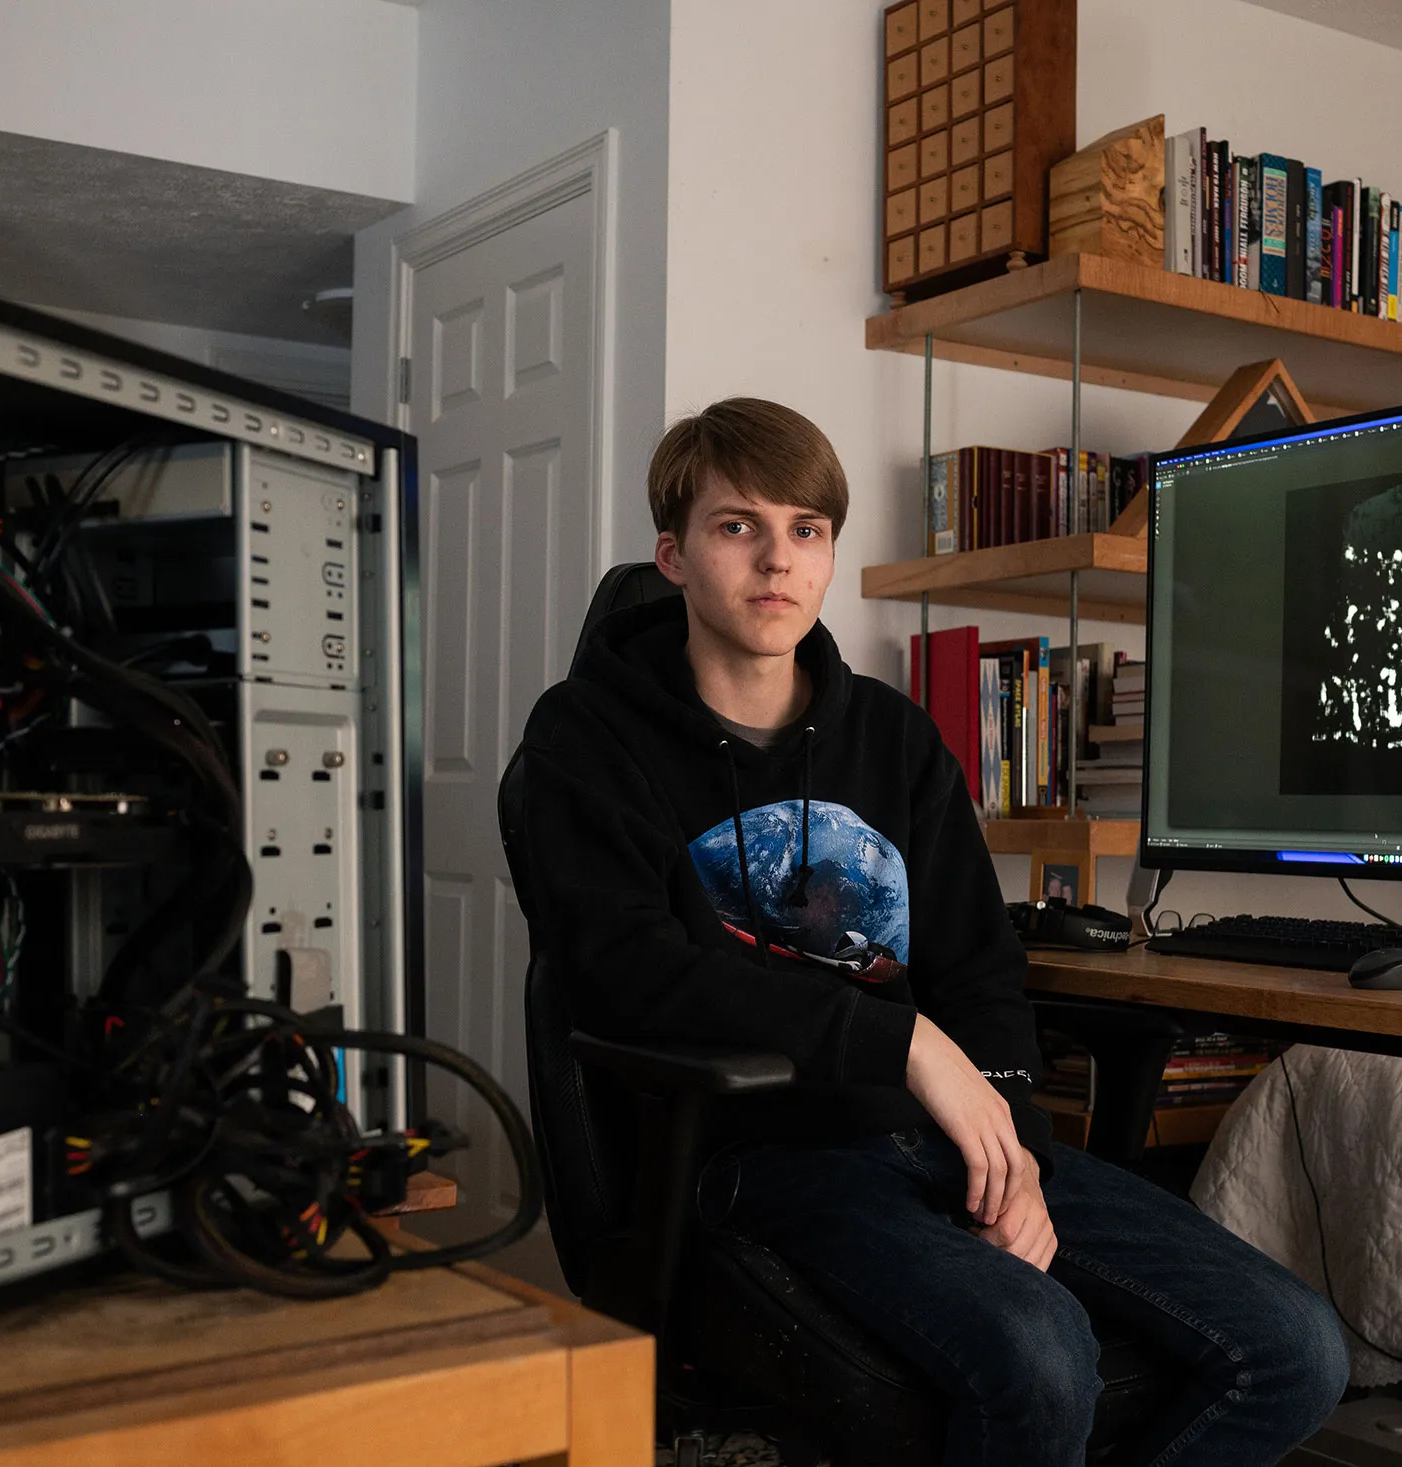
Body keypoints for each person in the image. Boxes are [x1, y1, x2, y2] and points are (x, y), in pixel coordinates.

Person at [510, 398, 1348, 1465]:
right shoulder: (586, 733)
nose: (777, 560)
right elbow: (627, 972)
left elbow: (975, 965)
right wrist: (899, 1042)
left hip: (947, 1136)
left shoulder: (892, 738)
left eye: (806, 530)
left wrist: (1014, 1149)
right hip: (759, 1153)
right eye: (737, 527)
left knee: (1297, 1348)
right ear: (672, 555)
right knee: (1040, 1351)